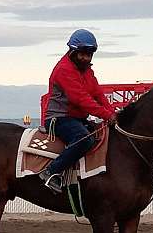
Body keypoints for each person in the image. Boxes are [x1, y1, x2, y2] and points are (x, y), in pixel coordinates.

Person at [39, 29, 115, 193]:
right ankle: (51, 172)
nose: (86, 58)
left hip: (76, 118)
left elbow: (97, 94)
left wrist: (114, 114)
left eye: (89, 54)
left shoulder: (87, 70)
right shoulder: (64, 70)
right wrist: (107, 115)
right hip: (59, 118)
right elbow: (81, 99)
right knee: (84, 139)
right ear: (72, 51)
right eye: (82, 54)